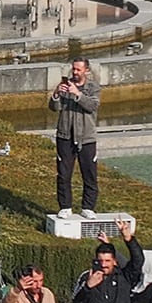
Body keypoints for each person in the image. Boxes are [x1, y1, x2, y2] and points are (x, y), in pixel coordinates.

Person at [49, 58, 101, 212]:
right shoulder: (66, 85)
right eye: (74, 69)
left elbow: (92, 106)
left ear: (86, 70)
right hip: (65, 136)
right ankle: (65, 207)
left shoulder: (94, 88)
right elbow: (53, 107)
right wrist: (57, 94)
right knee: (63, 174)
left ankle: (88, 208)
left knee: (89, 174)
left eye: (78, 69)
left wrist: (77, 94)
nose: (75, 72)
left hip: (86, 137)